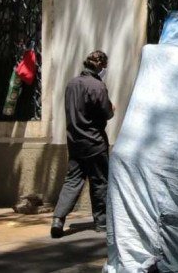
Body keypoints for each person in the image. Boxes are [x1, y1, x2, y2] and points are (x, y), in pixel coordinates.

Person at [51, 50, 115, 238]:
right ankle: (101, 223)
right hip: (95, 142)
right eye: (105, 67)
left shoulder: (71, 85)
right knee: (99, 182)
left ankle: (58, 219)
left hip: (75, 142)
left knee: (72, 181)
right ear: (101, 66)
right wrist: (112, 109)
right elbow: (106, 113)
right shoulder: (98, 86)